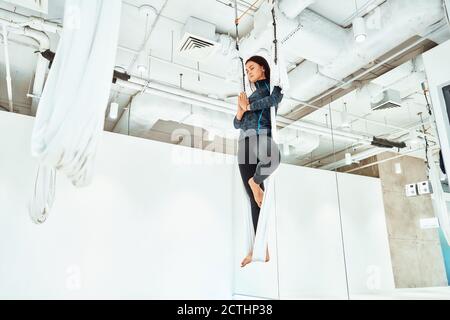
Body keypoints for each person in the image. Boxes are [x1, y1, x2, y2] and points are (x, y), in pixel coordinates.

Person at [234, 55, 283, 268]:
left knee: (274, 158)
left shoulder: (271, 88)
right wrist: (240, 110)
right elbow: (237, 124)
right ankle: (260, 248)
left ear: (263, 68)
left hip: (261, 138)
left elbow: (274, 100)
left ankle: (256, 182)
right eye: (246, 70)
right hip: (244, 144)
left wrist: (247, 107)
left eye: (251, 68)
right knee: (256, 201)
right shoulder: (250, 96)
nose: (249, 73)